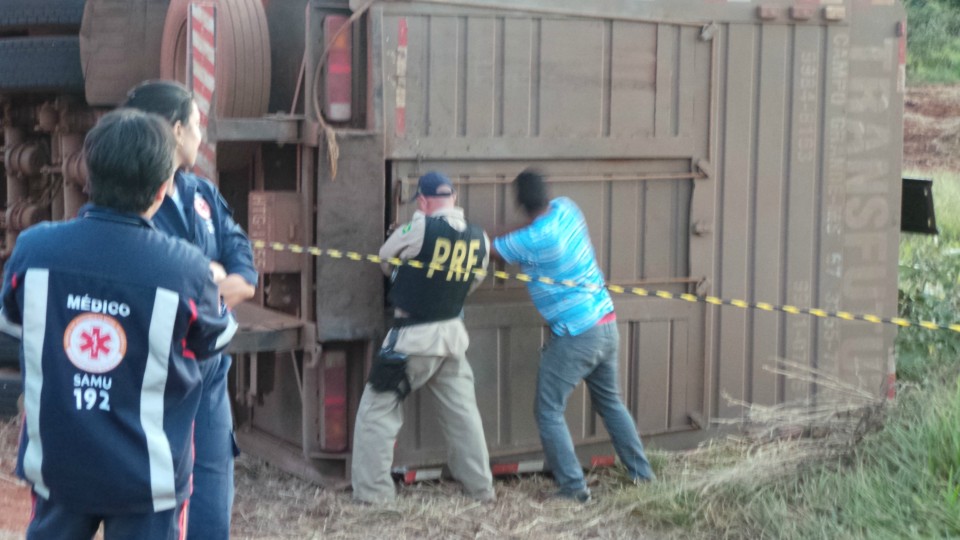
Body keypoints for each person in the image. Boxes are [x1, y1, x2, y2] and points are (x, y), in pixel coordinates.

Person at [1, 109, 238, 539]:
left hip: (60, 466)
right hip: (147, 480)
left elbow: (15, 316)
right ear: (165, 187)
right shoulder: (187, 271)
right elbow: (212, 341)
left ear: (87, 177)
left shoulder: (34, 251)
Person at [124, 80, 257, 539]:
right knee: (161, 484)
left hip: (210, 365)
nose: (203, 136)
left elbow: (237, 247)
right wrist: (212, 280)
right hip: (161, 365)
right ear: (177, 130)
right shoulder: (132, 196)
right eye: (198, 125)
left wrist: (226, 279)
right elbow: (166, 277)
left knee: (214, 475)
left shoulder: (199, 191)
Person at [491, 168, 655, 503]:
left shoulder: (533, 240)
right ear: (548, 192)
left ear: (519, 202)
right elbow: (524, 232)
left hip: (576, 336)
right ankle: (644, 477)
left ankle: (573, 489)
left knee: (548, 410)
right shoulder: (567, 209)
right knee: (611, 403)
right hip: (605, 323)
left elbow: (491, 248)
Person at [351, 171, 495, 504]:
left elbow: (385, 258)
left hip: (412, 340)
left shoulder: (418, 228)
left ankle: (374, 495)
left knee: (377, 412)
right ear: (454, 199)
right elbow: (472, 281)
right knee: (464, 416)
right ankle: (481, 489)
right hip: (453, 338)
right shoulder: (481, 238)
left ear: (423, 201)